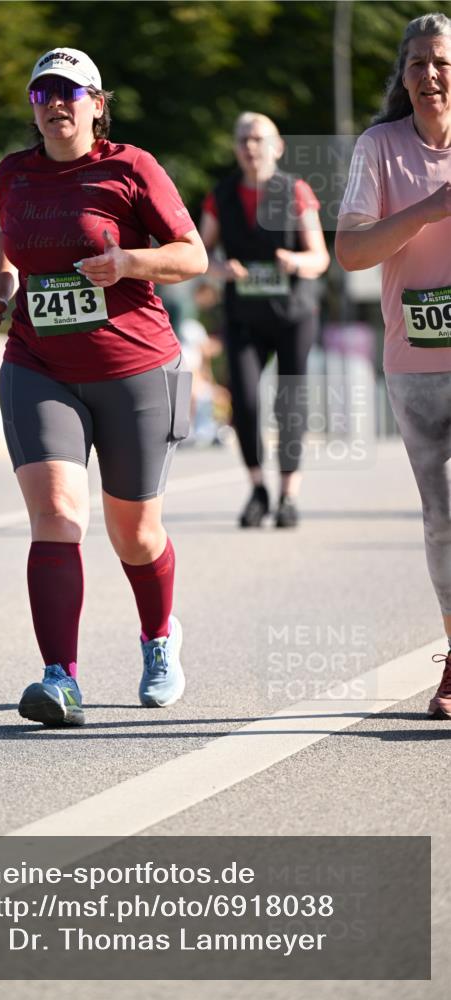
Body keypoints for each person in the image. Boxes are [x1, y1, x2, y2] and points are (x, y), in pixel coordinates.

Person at [0, 48, 207, 727]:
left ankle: (159, 637)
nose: (54, 104)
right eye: (41, 92)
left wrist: (128, 261)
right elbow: (5, 239)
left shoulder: (130, 167)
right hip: (38, 365)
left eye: (69, 93)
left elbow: (191, 254)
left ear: (97, 104)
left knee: (133, 534)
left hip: (138, 369)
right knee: (55, 515)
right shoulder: (13, 173)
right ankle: (59, 679)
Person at [336, 12, 451, 720]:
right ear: (401, 75)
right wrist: (428, 208)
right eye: (416, 64)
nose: (430, 75)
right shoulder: (379, 149)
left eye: (440, 61)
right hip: (416, 359)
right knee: (441, 520)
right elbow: (349, 253)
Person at [200, 113, 330, 527]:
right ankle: (258, 488)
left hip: (293, 313)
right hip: (244, 315)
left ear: (277, 146)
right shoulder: (219, 195)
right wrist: (222, 270)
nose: (250, 147)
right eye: (243, 139)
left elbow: (320, 258)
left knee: (289, 402)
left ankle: (289, 493)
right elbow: (200, 256)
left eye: (258, 139)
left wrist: (294, 260)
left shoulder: (295, 191)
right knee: (246, 400)